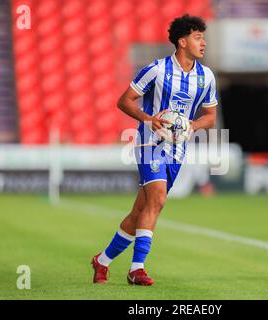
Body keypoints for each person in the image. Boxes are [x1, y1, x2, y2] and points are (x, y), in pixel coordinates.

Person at [91, 14, 218, 286]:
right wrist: (149, 119)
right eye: (198, 38)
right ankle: (137, 269)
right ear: (182, 42)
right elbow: (124, 101)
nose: (203, 43)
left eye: (203, 38)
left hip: (178, 150)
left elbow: (210, 116)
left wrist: (192, 126)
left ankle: (101, 261)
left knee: (141, 211)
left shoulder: (206, 76)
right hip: (150, 144)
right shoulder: (157, 70)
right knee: (158, 199)